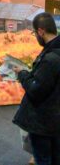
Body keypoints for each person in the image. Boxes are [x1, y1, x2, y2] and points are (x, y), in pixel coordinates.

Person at [14, 12, 60, 165]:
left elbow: (36, 90)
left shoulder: (51, 58)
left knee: (43, 159)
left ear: (41, 31)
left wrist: (22, 74)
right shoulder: (53, 53)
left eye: (35, 33)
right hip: (55, 119)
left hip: (44, 121)